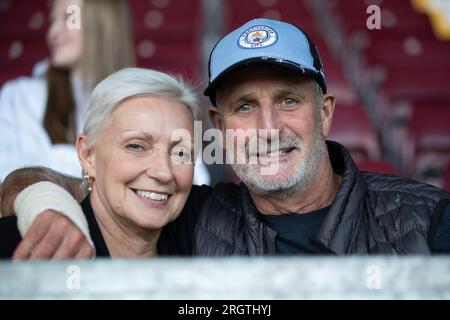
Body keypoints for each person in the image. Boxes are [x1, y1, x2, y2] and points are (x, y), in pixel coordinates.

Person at [4, 18, 450, 259]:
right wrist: (44, 200)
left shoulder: (428, 218)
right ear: (218, 127)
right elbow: (97, 191)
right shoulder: (190, 216)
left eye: (289, 101)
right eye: (245, 107)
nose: (268, 127)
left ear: (326, 112)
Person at [0, 67, 198, 258]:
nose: (163, 172)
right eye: (136, 146)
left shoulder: (202, 234)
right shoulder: (18, 247)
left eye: (180, 153)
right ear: (87, 155)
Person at [0, 0, 135, 182]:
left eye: (67, 19)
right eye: (52, 21)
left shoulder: (139, 102)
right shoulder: (19, 97)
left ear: (101, 24)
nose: (52, 33)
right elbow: (12, 177)